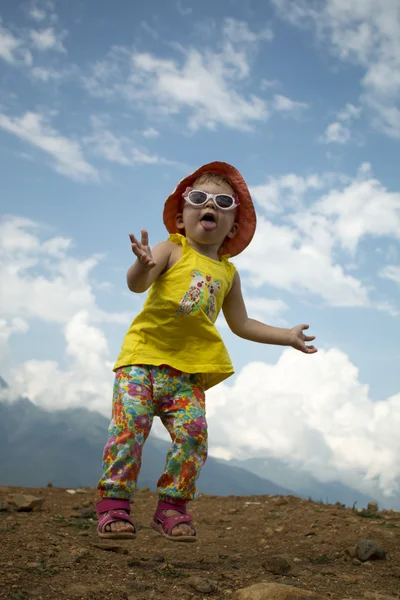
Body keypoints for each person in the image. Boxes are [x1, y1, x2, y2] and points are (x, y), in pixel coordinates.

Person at [96, 161, 317, 542]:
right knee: (129, 427)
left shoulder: (229, 274)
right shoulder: (171, 250)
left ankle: (171, 509)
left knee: (194, 438)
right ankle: (114, 504)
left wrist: (287, 335)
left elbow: (242, 324)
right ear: (181, 218)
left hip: (188, 375)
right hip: (141, 362)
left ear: (233, 226)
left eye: (222, 202)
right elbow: (137, 285)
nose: (208, 205)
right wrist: (140, 264)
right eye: (198, 199)